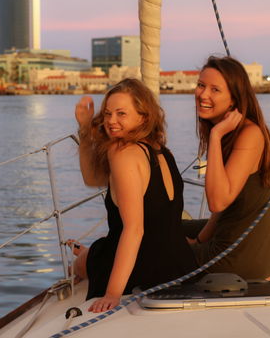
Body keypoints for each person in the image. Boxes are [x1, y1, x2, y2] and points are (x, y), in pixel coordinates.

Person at [70, 78, 197, 313]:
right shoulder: (161, 150)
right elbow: (93, 179)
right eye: (107, 114)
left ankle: (85, 253)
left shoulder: (123, 153)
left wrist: (112, 293)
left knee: (78, 266)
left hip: (144, 268)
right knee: (97, 250)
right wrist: (85, 129)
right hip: (180, 265)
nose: (111, 121)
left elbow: (134, 229)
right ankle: (88, 251)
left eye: (121, 114)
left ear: (143, 117)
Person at [182, 56, 270, 280]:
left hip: (239, 257)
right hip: (229, 236)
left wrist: (215, 137)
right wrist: (198, 240)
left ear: (234, 99)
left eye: (215, 89)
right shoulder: (232, 132)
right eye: (201, 85)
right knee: (167, 229)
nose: (203, 94)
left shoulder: (249, 134)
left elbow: (217, 201)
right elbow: (222, 210)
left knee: (152, 250)